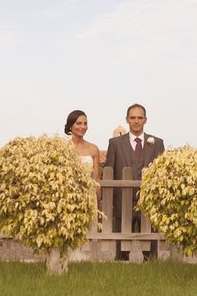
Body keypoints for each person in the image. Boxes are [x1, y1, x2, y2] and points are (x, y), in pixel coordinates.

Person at [105, 103, 164, 258]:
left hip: (149, 202)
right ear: (127, 120)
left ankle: (152, 274)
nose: (136, 121)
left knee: (151, 254)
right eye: (133, 118)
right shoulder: (115, 143)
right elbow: (109, 172)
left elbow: (163, 174)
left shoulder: (157, 143)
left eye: (139, 117)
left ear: (145, 120)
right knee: (121, 252)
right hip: (122, 202)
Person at [65, 110, 102, 201]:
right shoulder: (62, 147)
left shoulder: (93, 149)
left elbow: (96, 178)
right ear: (70, 126)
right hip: (67, 196)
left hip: (89, 197)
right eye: (79, 123)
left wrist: (97, 199)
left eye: (85, 124)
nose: (83, 127)